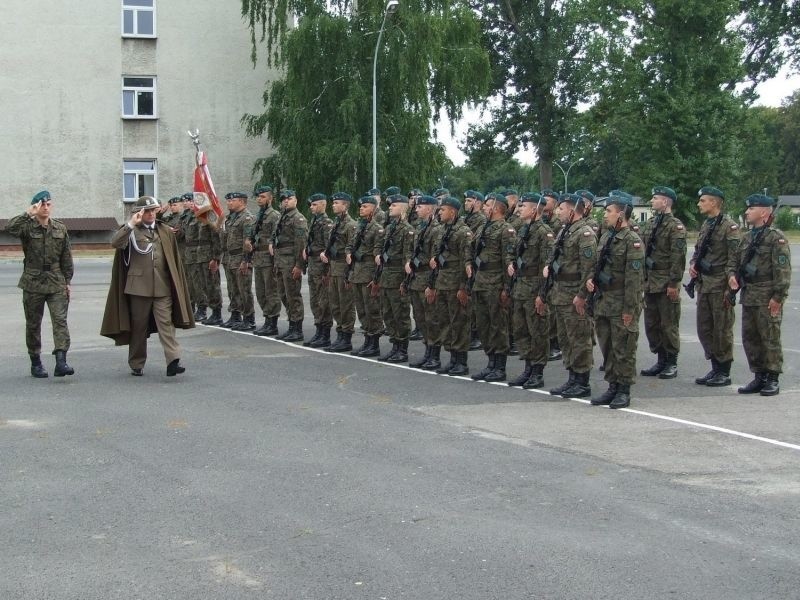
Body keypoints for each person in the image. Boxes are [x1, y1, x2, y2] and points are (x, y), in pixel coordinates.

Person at [101, 196, 194, 376]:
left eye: (154, 210)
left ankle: (173, 360)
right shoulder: (131, 230)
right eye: (147, 211)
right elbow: (115, 243)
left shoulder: (164, 230)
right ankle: (137, 363)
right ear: (140, 212)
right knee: (139, 326)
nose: (151, 214)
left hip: (162, 286)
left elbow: (173, 259)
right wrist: (129, 225)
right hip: (138, 288)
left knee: (166, 324)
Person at [7, 190, 74, 378]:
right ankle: (35, 362)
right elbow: (10, 228)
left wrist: (67, 281)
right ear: (36, 206)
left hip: (56, 280)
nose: (46, 207)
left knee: (60, 321)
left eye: (48, 204)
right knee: (33, 324)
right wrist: (28, 212)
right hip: (33, 282)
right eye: (42, 205)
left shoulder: (60, 228)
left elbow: (66, 257)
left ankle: (61, 361)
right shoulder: (27, 227)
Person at [729, 194, 792, 396]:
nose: (747, 212)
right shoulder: (746, 237)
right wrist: (731, 276)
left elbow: (782, 271)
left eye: (751, 209)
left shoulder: (776, 238)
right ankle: (759, 375)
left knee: (770, 338)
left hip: (767, 296)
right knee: (750, 338)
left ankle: (772, 377)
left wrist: (778, 297)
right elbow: (735, 262)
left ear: (764, 212)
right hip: (749, 295)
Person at [587, 191, 644, 409]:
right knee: (608, 347)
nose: (605, 215)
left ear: (621, 214)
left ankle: (624, 389)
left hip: (622, 303)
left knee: (624, 349)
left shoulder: (633, 241)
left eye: (609, 211)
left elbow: (634, 280)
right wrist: (591, 282)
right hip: (604, 301)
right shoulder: (605, 237)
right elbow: (597, 265)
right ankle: (612, 386)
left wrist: (630, 309)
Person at [542, 193, 597, 398]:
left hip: (574, 295)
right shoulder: (565, 231)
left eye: (562, 208)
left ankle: (582, 382)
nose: (558, 212)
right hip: (560, 293)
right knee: (566, 339)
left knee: (579, 339)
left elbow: (589, 269)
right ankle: (572, 378)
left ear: (573, 210)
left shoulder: (584, 234)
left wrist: (582, 295)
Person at [690, 186, 741, 387]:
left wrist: (730, 285)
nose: (699, 204)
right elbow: (698, 250)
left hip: (720, 284)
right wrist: (694, 264)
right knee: (705, 328)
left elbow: (734, 257)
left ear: (714, 202)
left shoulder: (730, 227)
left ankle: (724, 371)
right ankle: (714, 367)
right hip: (704, 284)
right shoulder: (707, 225)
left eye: (703, 201)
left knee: (722, 330)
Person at [506, 193, 554, 389]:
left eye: (523, 206)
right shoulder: (523, 230)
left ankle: (537, 371)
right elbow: (513, 252)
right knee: (521, 329)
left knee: (538, 332)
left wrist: (542, 295)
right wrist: (510, 263)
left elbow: (546, 267)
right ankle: (528, 367)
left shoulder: (544, 232)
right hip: (520, 287)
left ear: (534, 210)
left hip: (534, 289)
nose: (519, 209)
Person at [639, 186, 687, 379]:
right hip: (650, 281)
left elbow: (678, 257)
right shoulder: (651, 223)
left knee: (669, 324)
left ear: (665, 202)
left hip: (665, 281)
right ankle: (660, 360)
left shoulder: (675, 227)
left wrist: (674, 283)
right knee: (653, 323)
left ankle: (671, 362)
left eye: (655, 198)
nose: (652, 201)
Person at [470, 192, 517, 382]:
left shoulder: (506, 230)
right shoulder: (482, 227)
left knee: (498, 325)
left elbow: (509, 262)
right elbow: (472, 249)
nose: (484, 208)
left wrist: (507, 289)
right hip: (480, 281)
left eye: (488, 205)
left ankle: (500, 366)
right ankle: (490, 362)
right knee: (484, 325)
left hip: (496, 283)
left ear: (497, 208)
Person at [426, 195, 473, 375]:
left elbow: (465, 261)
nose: (440, 213)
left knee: (459, 322)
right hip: (442, 282)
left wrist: (463, 287)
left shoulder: (463, 232)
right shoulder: (443, 230)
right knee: (446, 322)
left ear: (452, 212)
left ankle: (461, 361)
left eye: (443, 210)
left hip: (455, 284)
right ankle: (453, 358)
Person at [375, 194, 415, 362]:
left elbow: (407, 258)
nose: (390, 208)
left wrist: (405, 282)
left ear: (403, 208)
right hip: (386, 277)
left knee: (401, 315)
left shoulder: (407, 230)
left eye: (393, 206)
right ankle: (394, 345)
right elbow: (381, 247)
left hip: (397, 278)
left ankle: (402, 348)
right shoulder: (390, 228)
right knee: (388, 313)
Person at [345, 196, 385, 357]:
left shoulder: (377, 229)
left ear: (374, 209)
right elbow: (350, 245)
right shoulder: (359, 227)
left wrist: (376, 279)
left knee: (372, 310)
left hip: (368, 273)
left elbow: (378, 256)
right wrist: (348, 253)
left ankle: (374, 343)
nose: (361, 208)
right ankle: (367, 340)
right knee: (361, 309)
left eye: (365, 206)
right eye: (361, 206)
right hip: (356, 272)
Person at [406, 195, 442, 369]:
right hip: (415, 279)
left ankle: (434, 355)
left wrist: (432, 285)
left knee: (431, 319)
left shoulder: (436, 230)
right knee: (420, 319)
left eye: (420, 207)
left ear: (429, 209)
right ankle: (427, 352)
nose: (417, 209)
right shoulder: (420, 229)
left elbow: (435, 260)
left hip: (427, 278)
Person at [269, 189, 308, 341]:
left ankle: (297, 328)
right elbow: (275, 236)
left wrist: (299, 265)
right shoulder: (282, 218)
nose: (286, 201)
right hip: (280, 262)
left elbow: (301, 244)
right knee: (283, 294)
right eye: (284, 199)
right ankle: (292, 325)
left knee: (293, 296)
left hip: (291, 262)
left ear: (296, 201)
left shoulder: (298, 219)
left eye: (289, 198)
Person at [322, 192, 358, 352]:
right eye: (333, 203)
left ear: (345, 205)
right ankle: (340, 334)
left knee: (346, 305)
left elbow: (352, 250)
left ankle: (346, 337)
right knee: (335, 304)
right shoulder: (336, 223)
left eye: (337, 203)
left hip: (344, 268)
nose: (333, 205)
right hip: (334, 268)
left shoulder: (351, 225)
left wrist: (349, 274)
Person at [247, 186, 282, 336]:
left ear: (270, 198)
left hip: (269, 259)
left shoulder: (274, 216)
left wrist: (276, 260)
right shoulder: (257, 216)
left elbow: (276, 238)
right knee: (261, 292)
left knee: (271, 291)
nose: (259, 199)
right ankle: (267, 318)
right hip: (258, 258)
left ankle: (272, 322)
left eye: (262, 197)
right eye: (258, 197)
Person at [303, 193, 334, 347]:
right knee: (315, 300)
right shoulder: (314, 221)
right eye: (311, 205)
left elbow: (328, 249)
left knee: (323, 302)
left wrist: (327, 272)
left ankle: (325, 334)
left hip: (321, 267)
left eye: (315, 205)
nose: (311, 207)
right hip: (313, 265)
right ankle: (319, 330)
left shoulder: (326, 223)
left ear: (323, 205)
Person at [224, 192, 256, 331]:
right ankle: (236, 315)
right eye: (229, 201)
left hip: (241, 258)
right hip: (231, 258)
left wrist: (246, 260)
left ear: (242, 202)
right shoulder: (231, 218)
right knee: (233, 289)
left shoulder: (247, 218)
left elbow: (248, 241)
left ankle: (249, 319)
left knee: (244, 290)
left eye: (233, 200)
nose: (229, 203)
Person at [463, 190, 487, 351]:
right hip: (467, 263)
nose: (465, 203)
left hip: (480, 268)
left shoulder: (480, 220)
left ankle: (475, 334)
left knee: (473, 304)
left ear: (478, 202)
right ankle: (470, 332)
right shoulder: (466, 219)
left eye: (469, 200)